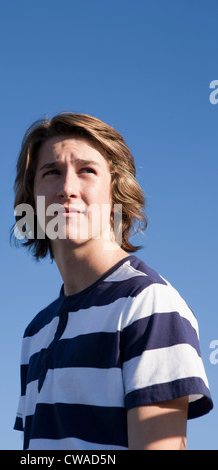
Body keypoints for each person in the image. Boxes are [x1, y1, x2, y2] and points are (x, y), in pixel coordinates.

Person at [11, 112, 213, 450]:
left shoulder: (148, 304)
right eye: (51, 172)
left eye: (87, 171)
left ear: (116, 192)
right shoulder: (35, 332)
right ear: (32, 196)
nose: (67, 189)